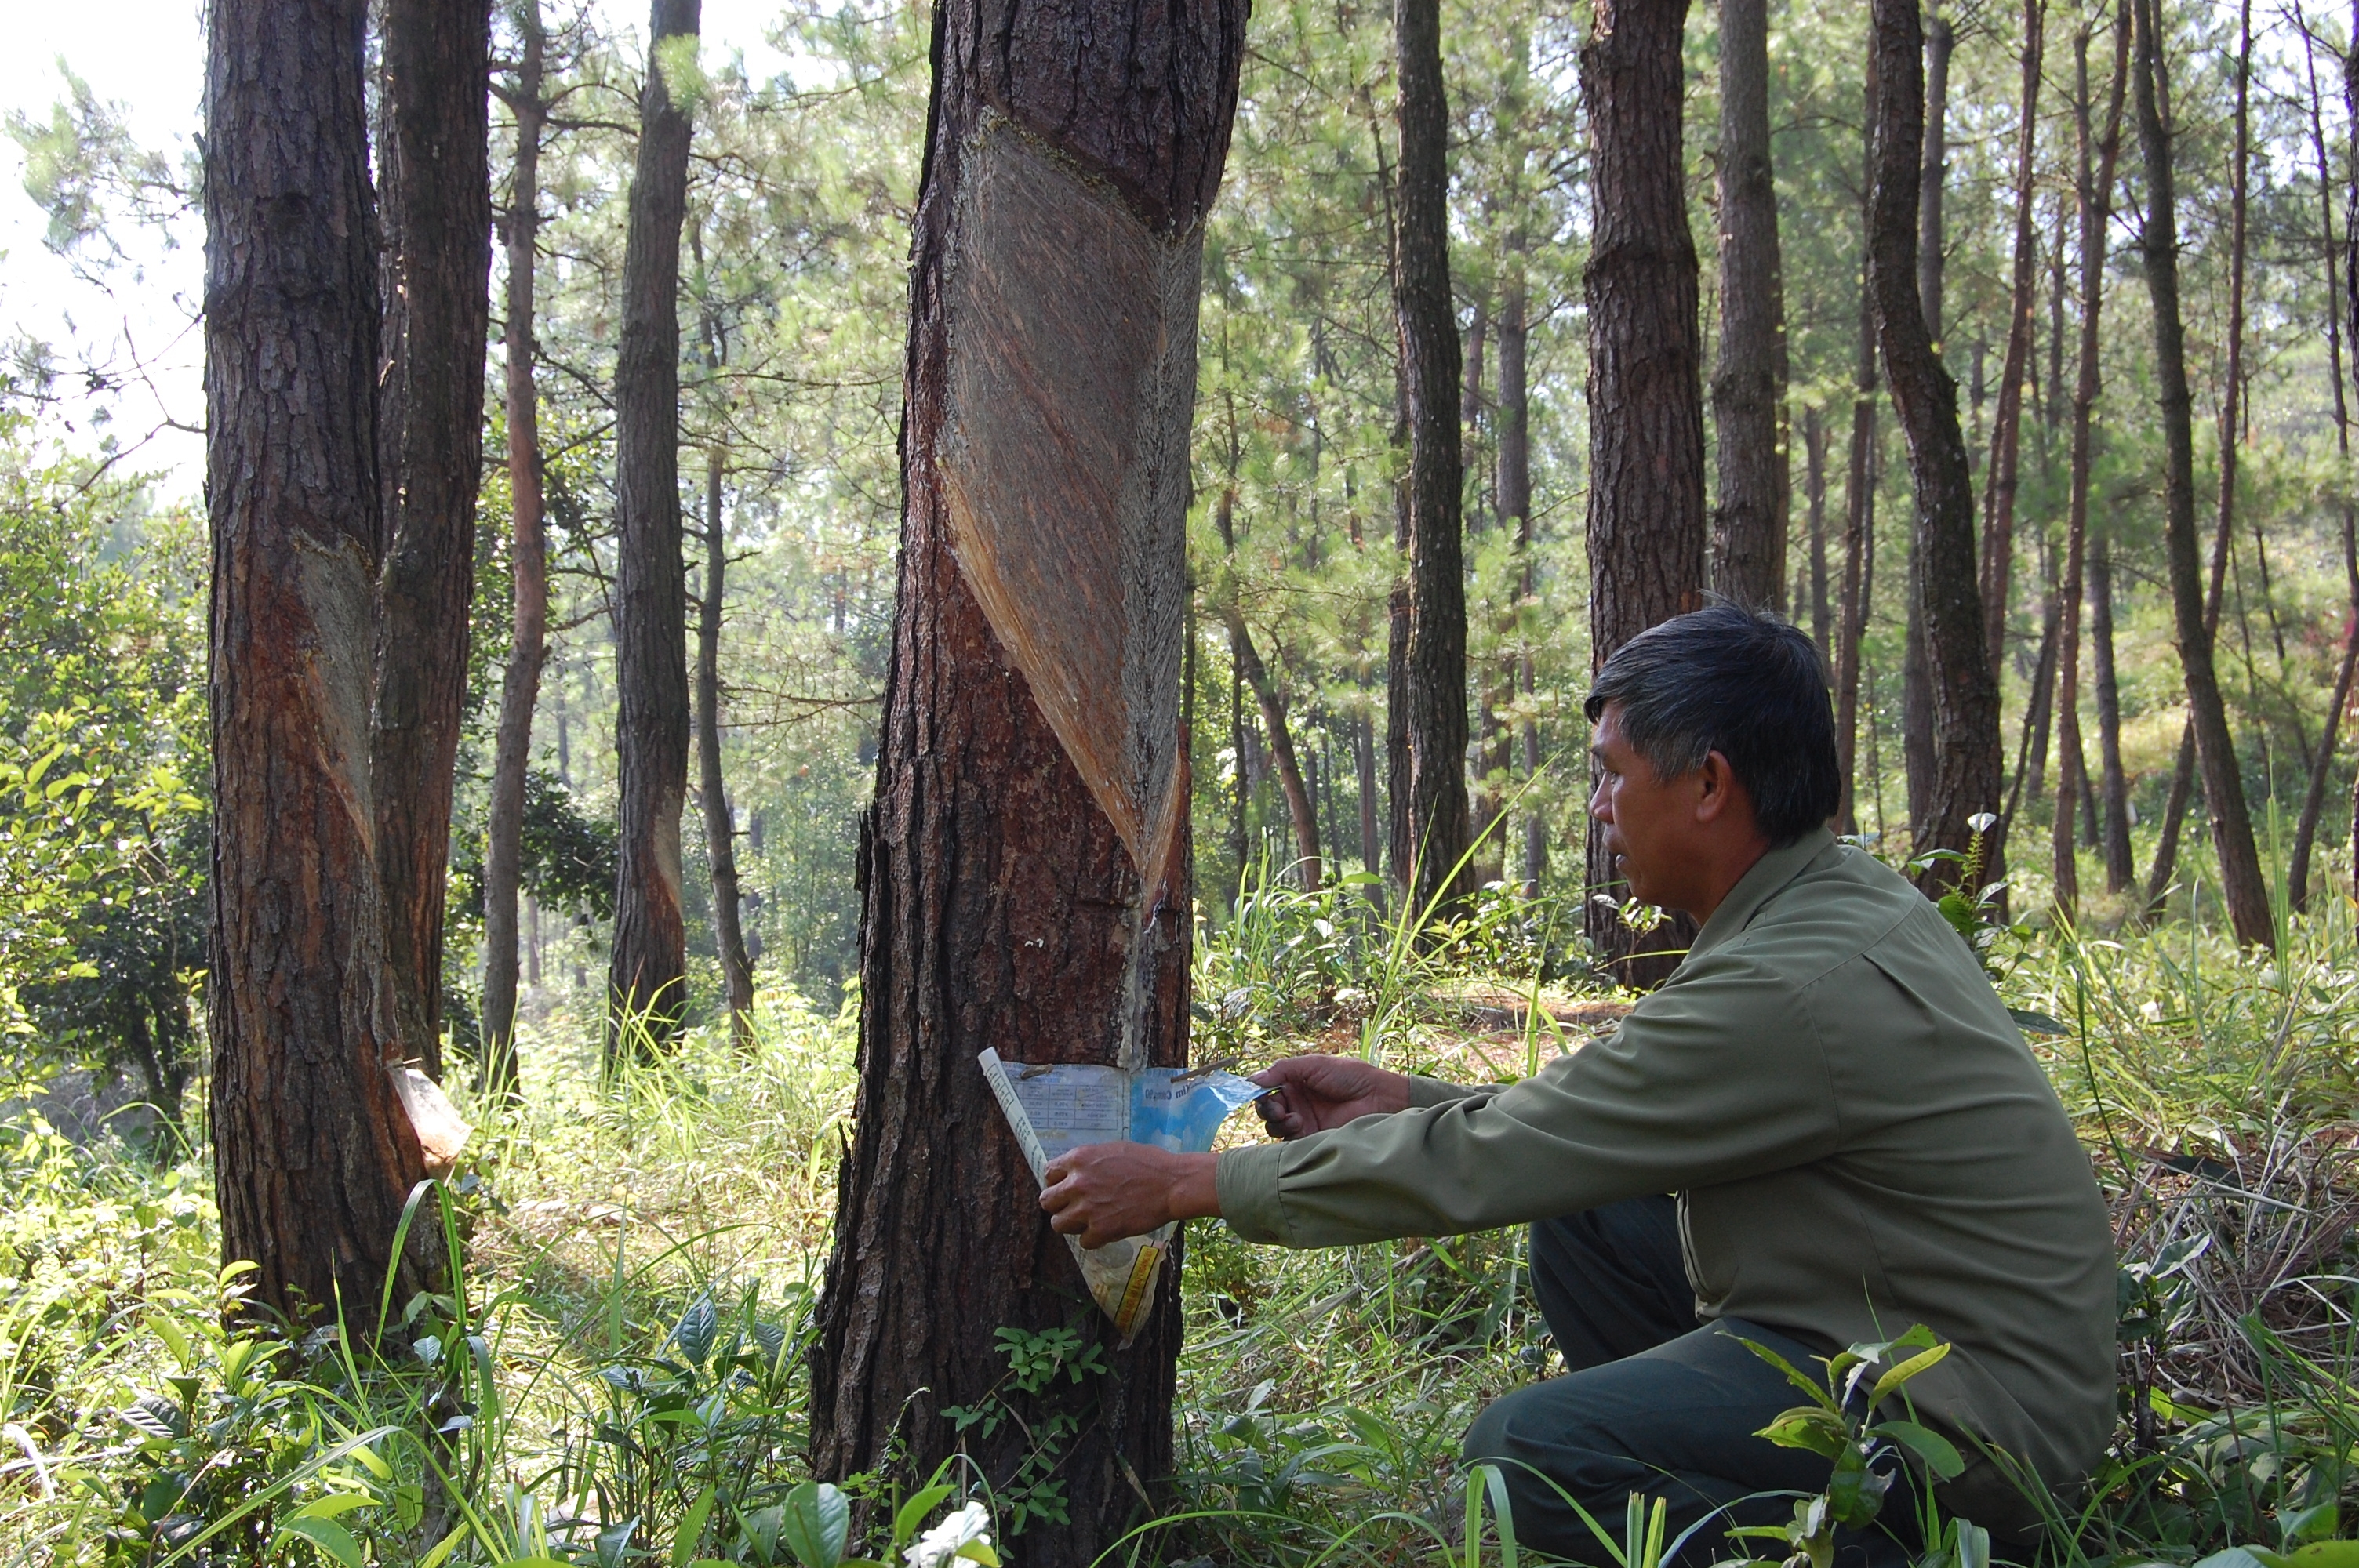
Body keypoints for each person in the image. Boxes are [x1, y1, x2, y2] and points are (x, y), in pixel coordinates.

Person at [1038, 604, 2115, 1564]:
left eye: (1612, 773)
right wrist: (1406, 1101)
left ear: (1709, 785)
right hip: (1904, 1338)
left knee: (1523, 1461)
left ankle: (1868, 1550)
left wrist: (1192, 1186)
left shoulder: (1790, 984)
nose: (1599, 806)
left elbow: (1503, 1156)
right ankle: (1736, 1483)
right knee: (1588, 1217)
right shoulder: (1828, 904)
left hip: (1972, 1433)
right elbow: (1585, 1130)